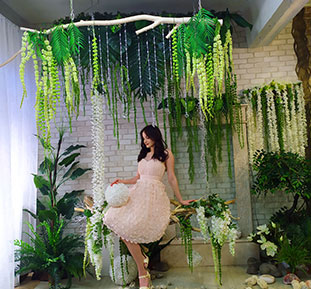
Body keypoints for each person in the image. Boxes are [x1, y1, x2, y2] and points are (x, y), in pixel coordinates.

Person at [103, 125, 195, 289]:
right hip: (138, 193)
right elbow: (138, 178)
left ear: (155, 136)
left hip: (153, 196)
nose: (144, 140)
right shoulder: (143, 155)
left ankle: (142, 275)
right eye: (143, 137)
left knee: (132, 229)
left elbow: (172, 178)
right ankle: (142, 266)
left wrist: (181, 199)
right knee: (115, 221)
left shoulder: (166, 154)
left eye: (147, 137)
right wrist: (122, 181)